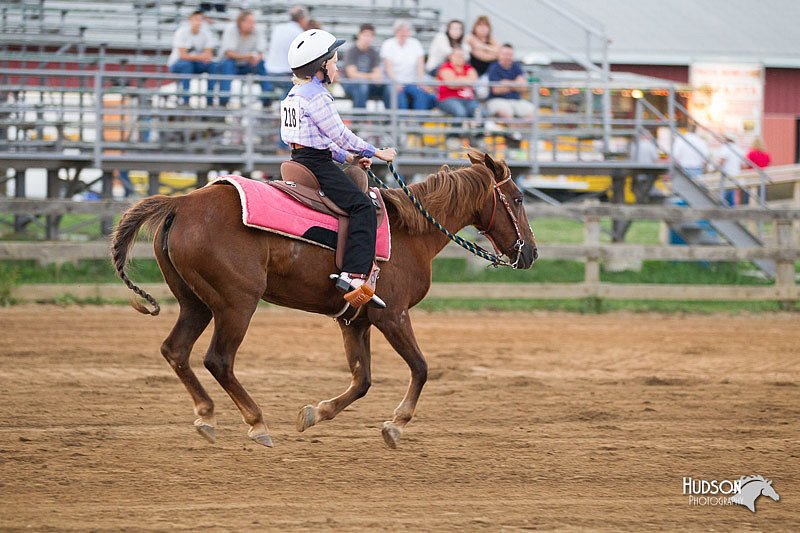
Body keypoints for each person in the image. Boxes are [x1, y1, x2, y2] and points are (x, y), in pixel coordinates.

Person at [281, 29, 397, 307]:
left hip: (300, 160)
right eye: (333, 60)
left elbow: (316, 140)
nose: (337, 65)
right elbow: (340, 135)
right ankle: (354, 274)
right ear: (320, 67)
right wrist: (376, 151)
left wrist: (349, 159)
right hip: (317, 165)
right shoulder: (318, 96)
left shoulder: (295, 94)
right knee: (362, 207)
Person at [217, 10, 271, 107]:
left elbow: (261, 52)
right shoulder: (231, 30)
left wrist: (256, 58)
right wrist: (248, 56)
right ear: (242, 22)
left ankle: (267, 99)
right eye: (250, 22)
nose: (252, 24)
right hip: (232, 65)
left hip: (248, 64)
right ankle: (223, 101)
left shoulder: (257, 31)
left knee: (261, 63)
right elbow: (229, 53)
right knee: (228, 64)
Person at [380, 20, 436, 110]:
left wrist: (421, 82)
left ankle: (418, 121)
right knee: (399, 98)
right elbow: (388, 67)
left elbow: (420, 66)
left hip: (412, 81)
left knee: (421, 94)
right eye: (400, 31)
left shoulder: (415, 43)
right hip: (394, 81)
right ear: (396, 32)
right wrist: (395, 82)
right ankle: (401, 122)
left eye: (406, 31)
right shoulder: (388, 44)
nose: (403, 33)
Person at [167, 10, 218, 105]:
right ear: (190, 20)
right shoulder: (181, 32)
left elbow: (208, 55)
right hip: (176, 64)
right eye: (196, 19)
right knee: (186, 65)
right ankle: (185, 101)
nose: (198, 22)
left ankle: (210, 101)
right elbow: (182, 56)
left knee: (213, 66)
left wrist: (198, 57)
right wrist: (200, 57)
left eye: (200, 20)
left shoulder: (206, 33)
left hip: (195, 64)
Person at [266, 5, 310, 96]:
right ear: (302, 19)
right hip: (285, 74)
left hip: (269, 71)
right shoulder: (299, 33)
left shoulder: (278, 28)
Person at [486, 44, 534, 119]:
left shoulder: (516, 67)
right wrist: (515, 84)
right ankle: (514, 130)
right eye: (505, 54)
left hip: (516, 100)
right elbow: (496, 90)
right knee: (506, 113)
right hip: (497, 100)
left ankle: (518, 130)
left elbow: (523, 88)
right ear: (499, 54)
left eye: (510, 54)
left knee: (533, 112)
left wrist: (505, 83)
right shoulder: (494, 68)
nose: (507, 57)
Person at [342, 24, 384, 109]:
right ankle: (359, 119)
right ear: (359, 35)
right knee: (362, 85)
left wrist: (366, 77)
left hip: (368, 84)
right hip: (351, 84)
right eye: (365, 35)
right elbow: (352, 75)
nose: (367, 38)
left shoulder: (374, 53)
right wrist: (370, 77)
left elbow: (378, 75)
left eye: (370, 35)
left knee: (389, 87)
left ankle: (390, 119)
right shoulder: (351, 51)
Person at [436, 47, 479, 118]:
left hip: (468, 99)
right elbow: (452, 85)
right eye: (457, 55)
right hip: (448, 99)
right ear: (451, 57)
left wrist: (457, 80)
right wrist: (466, 80)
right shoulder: (445, 68)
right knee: (460, 113)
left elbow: (473, 81)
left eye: (462, 55)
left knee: (481, 114)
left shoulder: (469, 68)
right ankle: (457, 129)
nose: (460, 58)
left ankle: (474, 129)